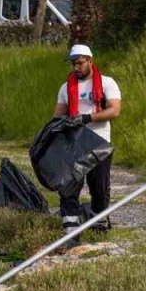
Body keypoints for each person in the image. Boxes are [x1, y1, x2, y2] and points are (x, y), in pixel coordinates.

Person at [52, 44, 121, 238]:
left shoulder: (107, 83)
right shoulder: (66, 87)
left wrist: (87, 118)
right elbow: (57, 116)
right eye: (73, 64)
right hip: (74, 143)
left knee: (99, 185)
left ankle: (99, 221)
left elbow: (114, 110)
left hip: (99, 141)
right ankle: (70, 227)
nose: (76, 67)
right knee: (69, 184)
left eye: (80, 63)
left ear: (90, 61)